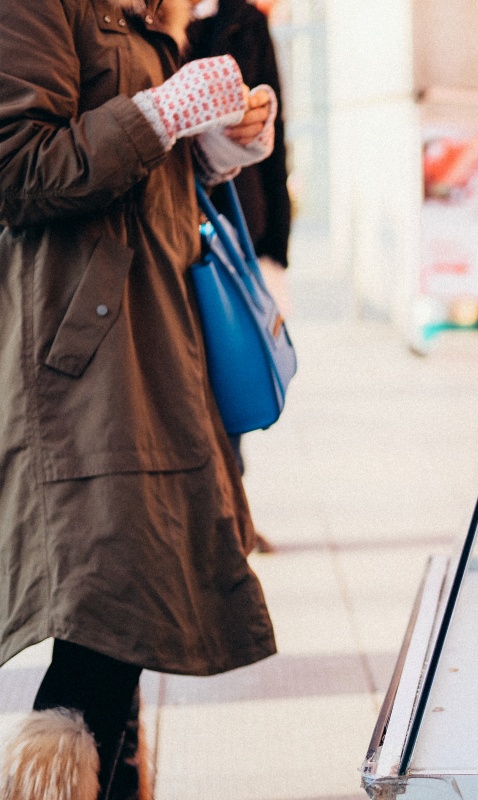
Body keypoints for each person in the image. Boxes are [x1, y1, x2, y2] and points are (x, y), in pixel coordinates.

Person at [0, 1, 279, 798]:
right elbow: (19, 170)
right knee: (102, 618)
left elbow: (141, 168)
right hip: (80, 367)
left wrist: (218, 146)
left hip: (152, 341)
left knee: (127, 620)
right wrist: (161, 112)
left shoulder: (146, 8)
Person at [187, 0, 293, 553]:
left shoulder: (243, 21)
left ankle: (233, 514)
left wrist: (275, 238)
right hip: (169, 224)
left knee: (229, 366)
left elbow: (274, 135)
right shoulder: (147, 22)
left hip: (230, 216)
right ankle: (226, 516)